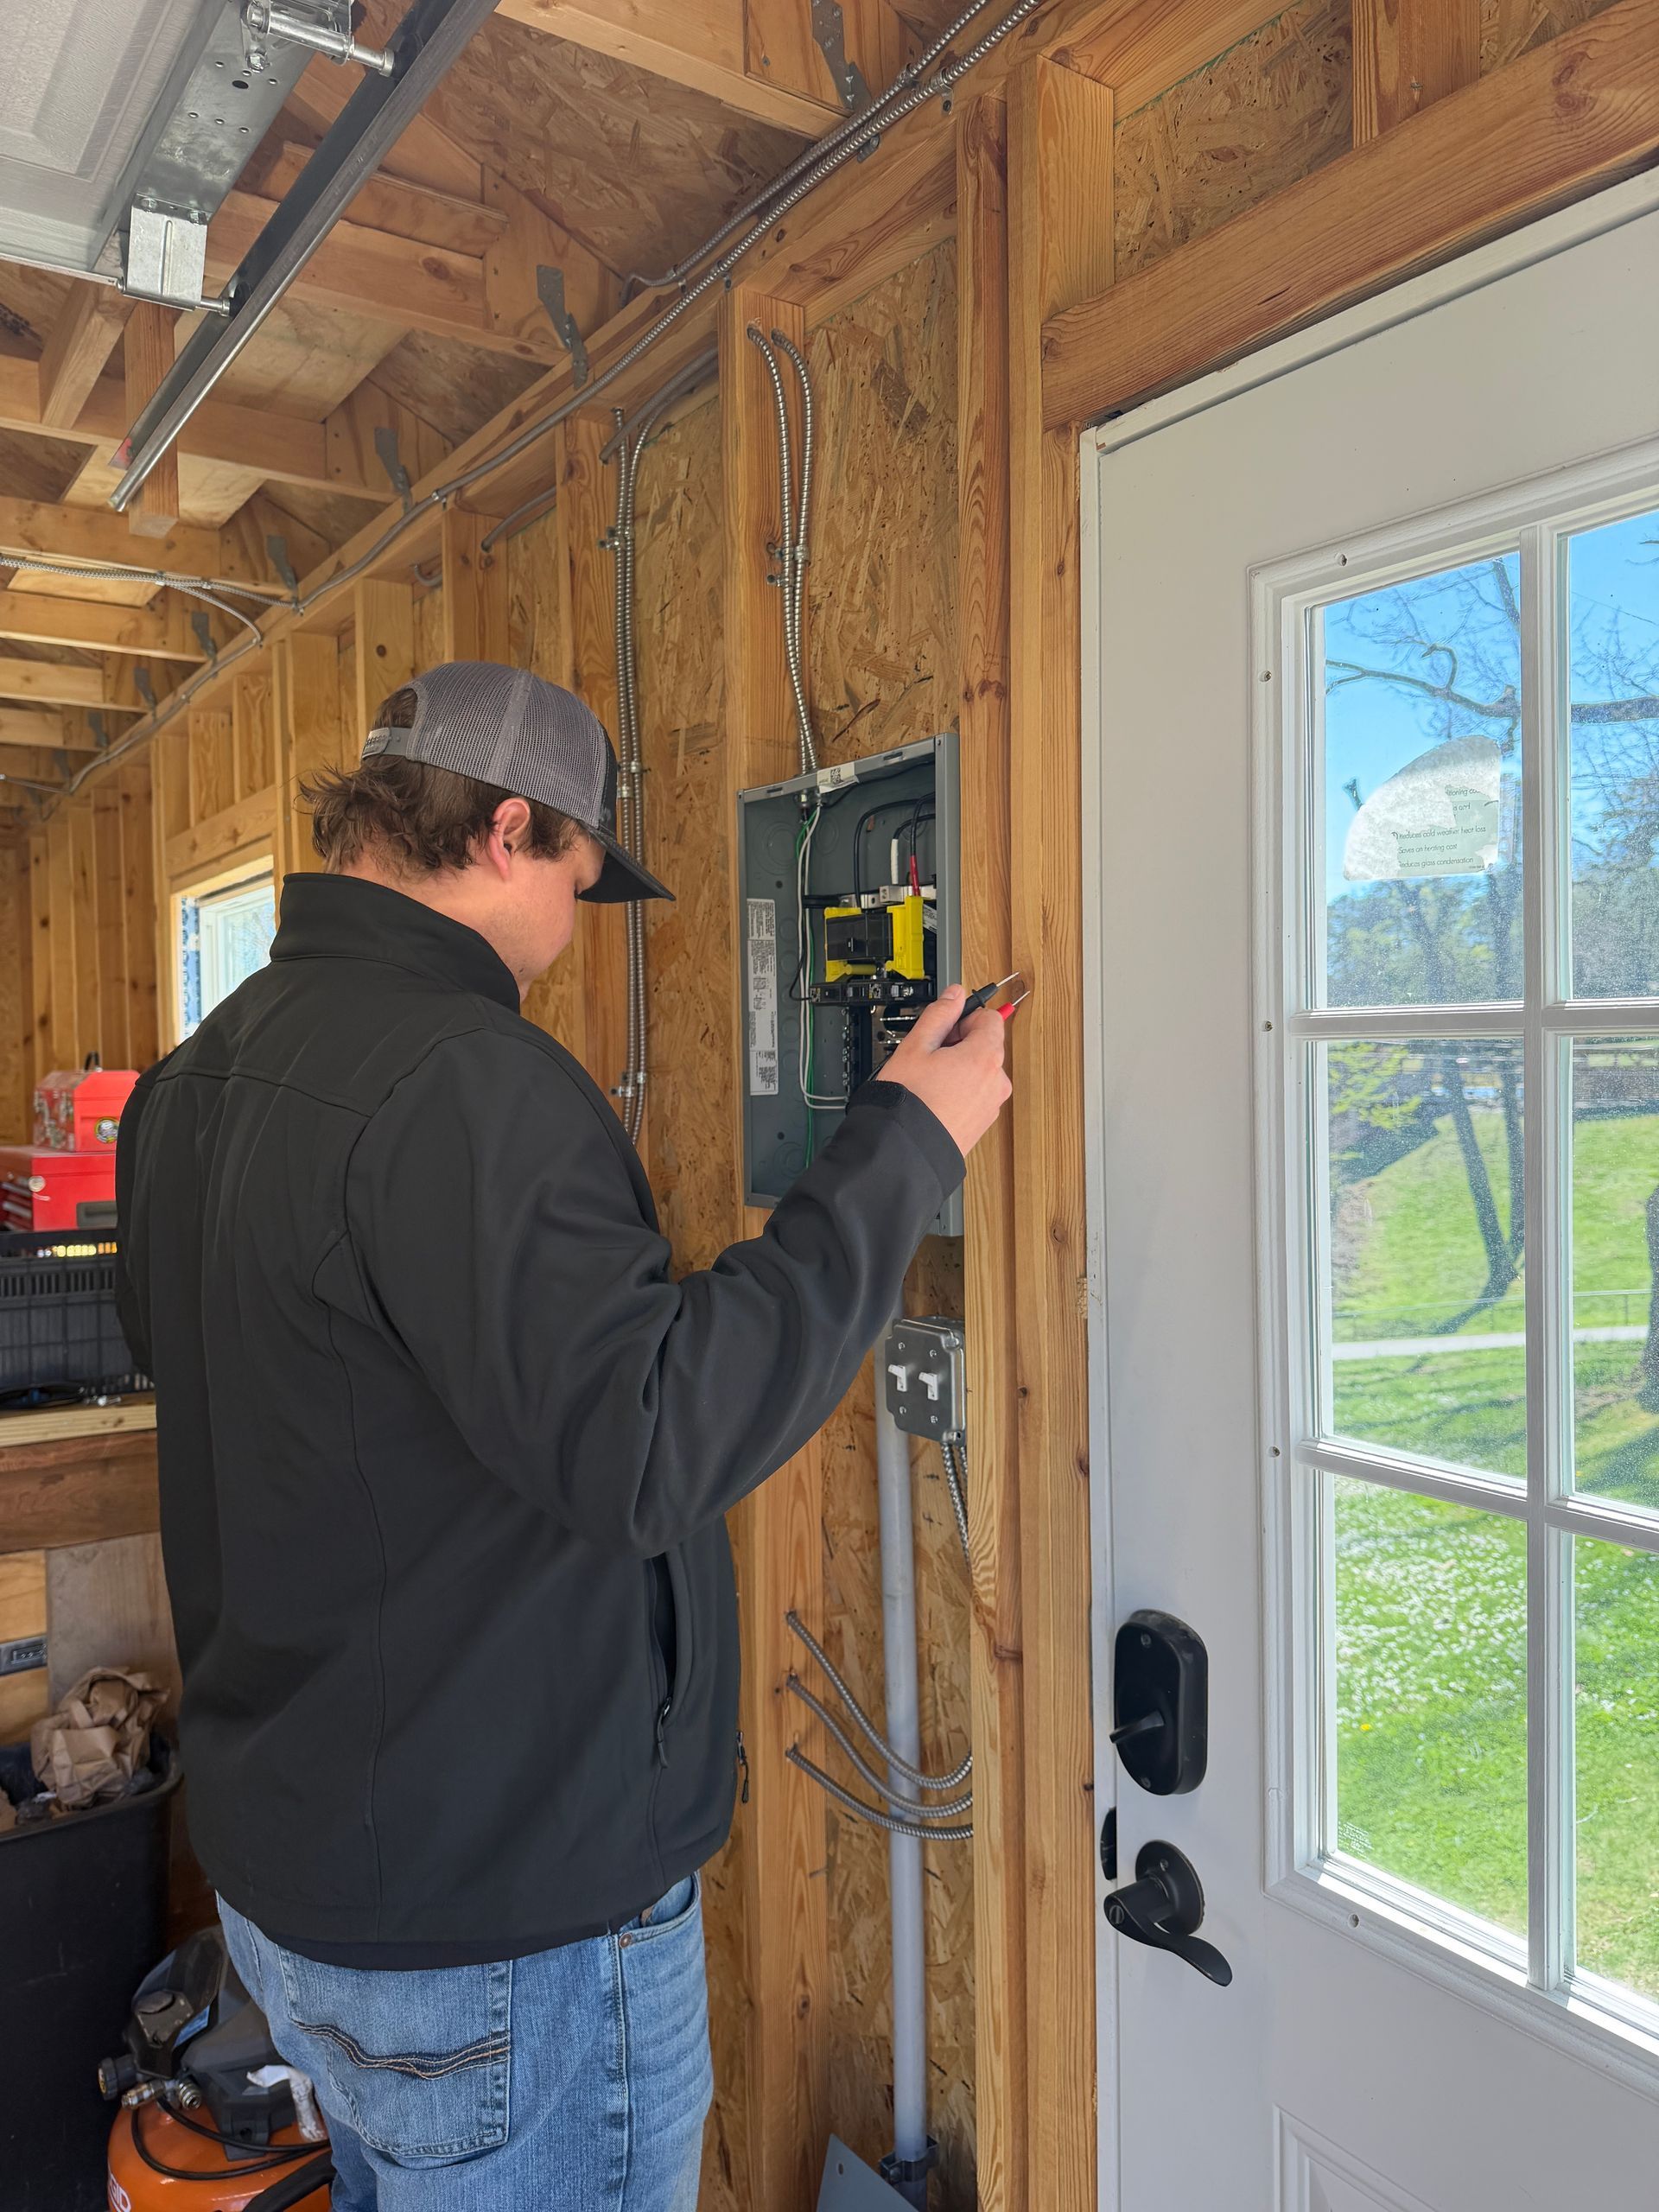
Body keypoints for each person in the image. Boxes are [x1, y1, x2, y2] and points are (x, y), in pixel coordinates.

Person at [115, 661, 1012, 2211]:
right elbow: (648, 1441)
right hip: (494, 1943)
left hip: (305, 1889)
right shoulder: (466, 1080)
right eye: (579, 886)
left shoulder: (191, 1086)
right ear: (511, 830)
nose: (560, 939)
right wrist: (901, 1147)